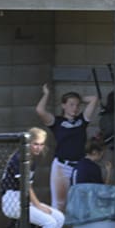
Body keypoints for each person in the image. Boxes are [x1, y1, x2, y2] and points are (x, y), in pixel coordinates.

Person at [0, 127, 65, 228]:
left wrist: (37, 205)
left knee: (59, 218)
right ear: (28, 143)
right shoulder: (18, 158)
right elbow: (25, 187)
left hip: (23, 199)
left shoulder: (32, 161)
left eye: (41, 144)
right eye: (35, 144)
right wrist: (38, 205)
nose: (38, 147)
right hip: (11, 199)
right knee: (50, 222)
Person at [35, 84, 99, 212]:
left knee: (80, 202)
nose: (75, 108)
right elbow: (40, 111)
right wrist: (46, 94)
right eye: (71, 104)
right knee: (59, 203)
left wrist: (78, 98)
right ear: (63, 105)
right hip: (62, 166)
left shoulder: (82, 120)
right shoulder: (57, 121)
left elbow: (94, 99)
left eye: (77, 105)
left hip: (79, 166)